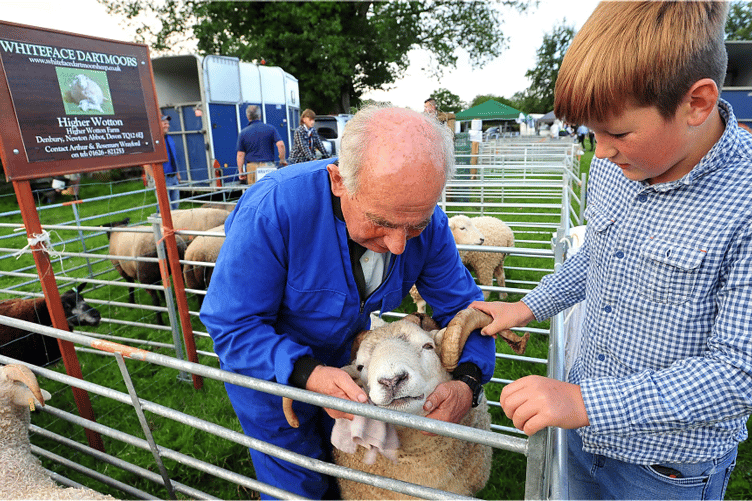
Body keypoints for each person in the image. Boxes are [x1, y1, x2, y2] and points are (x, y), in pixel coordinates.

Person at [471, 2, 748, 499]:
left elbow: (736, 373)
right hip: (583, 437)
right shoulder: (613, 166)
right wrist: (527, 305)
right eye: (590, 133)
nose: (599, 151)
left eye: (617, 132)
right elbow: (598, 257)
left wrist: (586, 401)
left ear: (698, 103)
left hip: (665, 469)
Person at [201, 105, 495, 499]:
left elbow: (465, 308)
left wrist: (468, 381)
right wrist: (306, 373)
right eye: (382, 222)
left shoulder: (430, 225)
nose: (399, 244)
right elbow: (233, 324)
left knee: (349, 469)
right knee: (297, 482)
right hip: (269, 375)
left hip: (351, 364)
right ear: (339, 181)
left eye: (417, 224)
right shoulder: (274, 210)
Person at [236, 105, 287, 184]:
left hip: (251, 169)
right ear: (260, 116)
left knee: (255, 193)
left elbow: (240, 155)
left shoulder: (243, 133)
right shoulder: (271, 129)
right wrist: (282, 160)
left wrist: (241, 171)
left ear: (247, 117)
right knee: (270, 190)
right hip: (269, 166)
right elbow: (281, 145)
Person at [159, 114, 181, 211]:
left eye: (167, 123)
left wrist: (177, 173)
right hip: (163, 178)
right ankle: (162, 226)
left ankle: (175, 226)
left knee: (175, 206)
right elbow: (147, 164)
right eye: (164, 123)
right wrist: (158, 179)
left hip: (174, 178)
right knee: (165, 208)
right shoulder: (155, 141)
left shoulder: (170, 139)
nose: (167, 125)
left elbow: (174, 157)